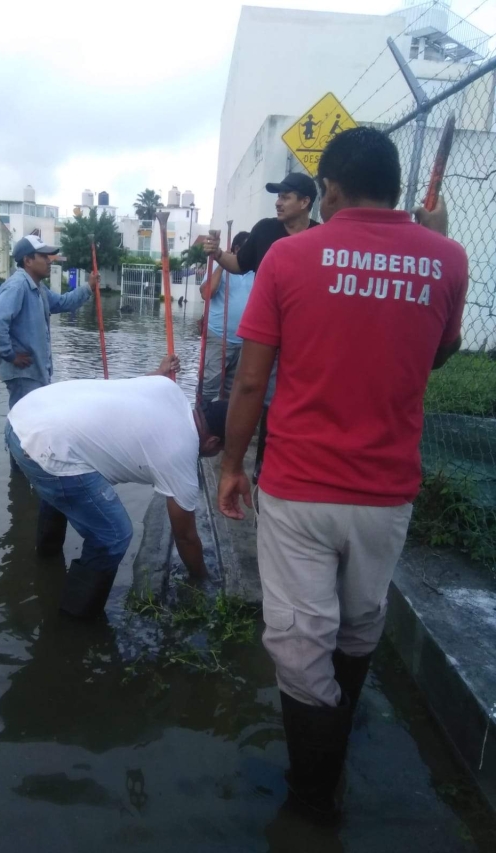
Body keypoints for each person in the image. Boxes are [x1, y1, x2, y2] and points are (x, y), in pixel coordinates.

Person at [217, 127, 464, 824]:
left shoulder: (290, 258)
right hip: (386, 492)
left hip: (298, 488)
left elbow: (250, 384)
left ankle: (311, 798)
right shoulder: (446, 258)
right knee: (358, 626)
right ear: (393, 184)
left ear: (328, 187)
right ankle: (337, 754)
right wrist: (437, 241)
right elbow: (436, 357)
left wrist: (232, 465)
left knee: (301, 647)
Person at [5, 355, 228, 619]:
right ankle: (74, 622)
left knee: (61, 483)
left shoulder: (169, 389)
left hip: (22, 416)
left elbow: (138, 386)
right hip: (44, 444)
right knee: (114, 534)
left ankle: (46, 560)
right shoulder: (182, 455)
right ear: (213, 443)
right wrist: (202, 579)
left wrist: (160, 370)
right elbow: (186, 537)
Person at [204, 172, 320, 481]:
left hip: (307, 336)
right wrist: (216, 254)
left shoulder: (324, 237)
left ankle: (286, 460)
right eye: (277, 196)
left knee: (292, 399)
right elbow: (239, 265)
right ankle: (254, 465)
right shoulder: (266, 230)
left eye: (286, 196)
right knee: (257, 392)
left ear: (305, 202)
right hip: (267, 332)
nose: (278, 202)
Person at [0, 234, 98, 412]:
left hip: (35, 371)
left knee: (34, 425)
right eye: (43, 256)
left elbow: (62, 303)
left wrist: (88, 287)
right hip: (24, 373)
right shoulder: (18, 285)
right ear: (28, 260)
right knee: (26, 427)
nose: (49, 261)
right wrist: (10, 355)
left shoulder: (38, 288)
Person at [199, 231, 254, 402]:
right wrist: (223, 263)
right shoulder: (219, 269)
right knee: (208, 387)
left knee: (232, 392)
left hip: (245, 341)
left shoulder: (256, 270)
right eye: (248, 249)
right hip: (218, 337)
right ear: (237, 249)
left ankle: (223, 425)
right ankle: (200, 422)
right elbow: (207, 293)